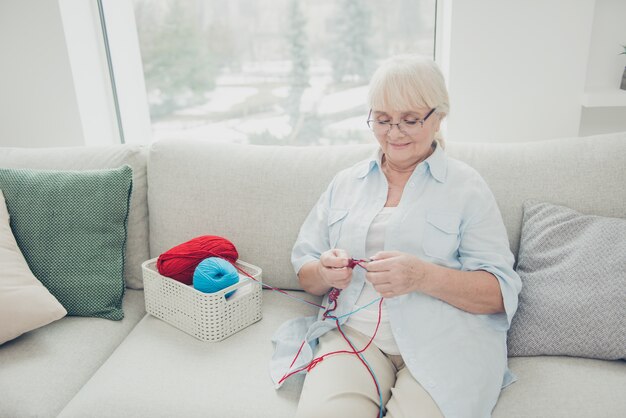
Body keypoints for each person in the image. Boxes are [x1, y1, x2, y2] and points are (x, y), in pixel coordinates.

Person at [270, 55, 522, 418]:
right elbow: (306, 273)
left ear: (438, 117)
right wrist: (325, 273)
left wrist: (422, 276)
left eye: (410, 120)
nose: (394, 133)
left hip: (446, 343)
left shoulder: (467, 188)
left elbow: (499, 294)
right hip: (353, 338)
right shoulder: (346, 183)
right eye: (383, 120)